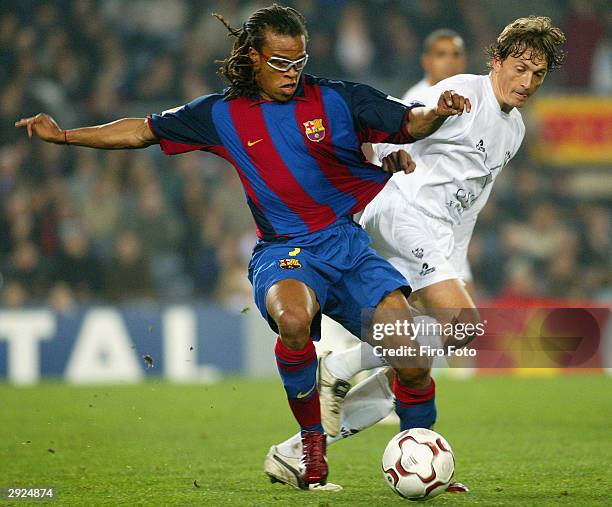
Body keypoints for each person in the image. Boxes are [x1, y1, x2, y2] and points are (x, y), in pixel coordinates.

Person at [15, 4, 470, 492]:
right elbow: (141, 131)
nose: (292, 73)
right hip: (285, 251)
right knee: (294, 320)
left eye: (298, 61)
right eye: (279, 62)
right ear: (252, 57)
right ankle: (311, 444)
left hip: (348, 245)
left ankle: (422, 451)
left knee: (412, 356)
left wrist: (437, 112)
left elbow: (409, 122)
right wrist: (65, 136)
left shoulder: (339, 99)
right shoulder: (219, 114)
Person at [268, 15, 566, 492]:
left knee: (417, 355)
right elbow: (388, 130)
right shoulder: (460, 95)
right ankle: (342, 368)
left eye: (538, 75)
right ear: (496, 61)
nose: (526, 82)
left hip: (435, 235)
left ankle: (299, 448)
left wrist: (456, 264)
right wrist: (371, 176)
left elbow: (470, 203)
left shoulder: (515, 130)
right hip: (399, 215)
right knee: (458, 328)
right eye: (519, 68)